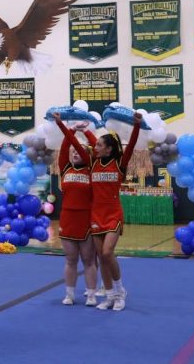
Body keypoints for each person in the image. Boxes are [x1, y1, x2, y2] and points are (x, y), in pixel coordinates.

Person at [91, 112, 141, 312]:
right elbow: (83, 143)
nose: (95, 147)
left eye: (99, 145)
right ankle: (109, 296)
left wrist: (136, 126)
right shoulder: (93, 163)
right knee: (100, 257)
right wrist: (83, 127)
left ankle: (120, 291)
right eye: (95, 145)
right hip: (95, 214)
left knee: (107, 252)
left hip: (113, 214)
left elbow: (130, 146)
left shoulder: (119, 164)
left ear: (109, 149)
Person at [53, 113, 99, 307]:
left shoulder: (90, 168)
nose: (74, 153)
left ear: (86, 155)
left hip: (86, 219)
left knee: (88, 259)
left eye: (78, 151)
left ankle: (91, 294)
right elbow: (65, 147)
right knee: (71, 259)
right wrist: (68, 129)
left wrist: (84, 130)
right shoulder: (65, 169)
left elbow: (96, 146)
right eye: (72, 151)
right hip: (68, 219)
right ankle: (70, 294)